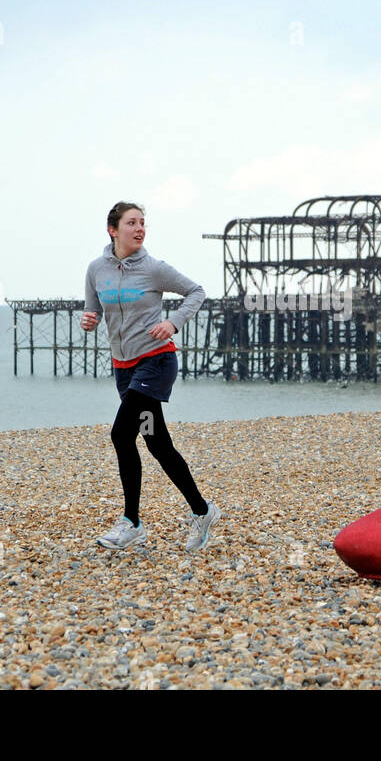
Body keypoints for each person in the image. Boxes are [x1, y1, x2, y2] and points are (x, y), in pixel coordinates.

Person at [81, 201, 220, 552]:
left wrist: (173, 322)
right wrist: (89, 319)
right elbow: (93, 308)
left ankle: (132, 523)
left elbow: (196, 292)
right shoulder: (96, 269)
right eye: (132, 223)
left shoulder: (155, 269)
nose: (140, 228)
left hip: (155, 363)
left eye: (143, 223)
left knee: (120, 434)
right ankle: (202, 512)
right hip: (124, 367)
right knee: (158, 444)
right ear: (113, 230)